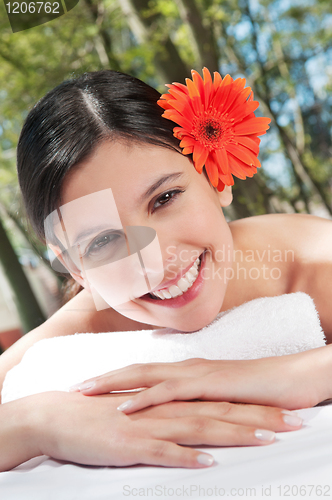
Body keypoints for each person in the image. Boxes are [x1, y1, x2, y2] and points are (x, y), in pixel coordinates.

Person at [0, 69, 331, 472]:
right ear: (75, 267)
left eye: (165, 198)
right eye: (102, 241)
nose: (154, 260)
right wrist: (36, 423)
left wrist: (296, 372)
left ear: (215, 177)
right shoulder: (89, 321)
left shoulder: (313, 263)